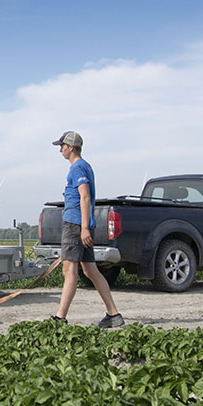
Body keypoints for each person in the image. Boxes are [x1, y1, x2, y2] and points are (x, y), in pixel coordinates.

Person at [50, 131, 124, 328]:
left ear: (71, 147)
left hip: (75, 225)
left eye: (62, 146)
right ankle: (113, 314)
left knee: (69, 270)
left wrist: (83, 228)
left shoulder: (78, 168)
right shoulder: (85, 167)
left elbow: (85, 197)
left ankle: (60, 318)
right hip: (81, 224)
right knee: (90, 270)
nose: (60, 149)